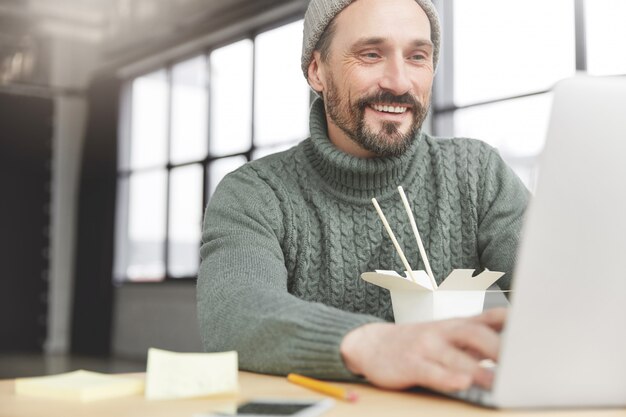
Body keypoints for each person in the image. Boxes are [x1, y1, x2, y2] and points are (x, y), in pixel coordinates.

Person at [197, 0, 528, 393]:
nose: (400, 82)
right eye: (371, 54)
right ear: (317, 70)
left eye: (418, 56)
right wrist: (377, 345)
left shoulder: (478, 173)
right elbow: (232, 312)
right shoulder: (256, 193)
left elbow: (565, 292)